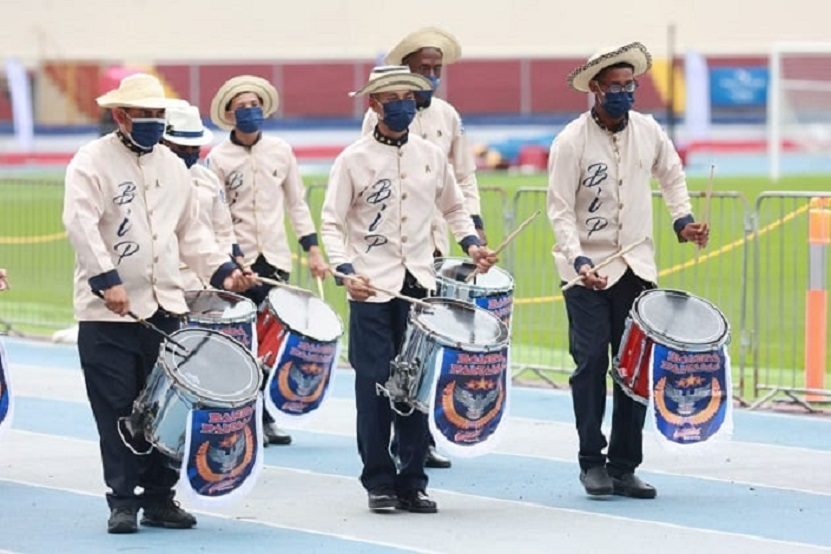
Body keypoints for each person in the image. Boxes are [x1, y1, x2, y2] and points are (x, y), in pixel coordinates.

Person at [63, 73, 257, 534]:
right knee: (118, 409)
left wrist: (223, 271)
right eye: (143, 114)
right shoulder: (91, 161)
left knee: (169, 406)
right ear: (120, 116)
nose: (152, 122)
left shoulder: (173, 166)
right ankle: (122, 500)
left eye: (157, 114)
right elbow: (80, 223)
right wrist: (106, 280)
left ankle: (159, 496)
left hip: (166, 308)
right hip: (107, 315)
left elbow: (191, 233)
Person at [321, 66, 497, 514]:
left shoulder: (430, 155)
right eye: (393, 99)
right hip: (371, 289)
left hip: (419, 288)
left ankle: (413, 480)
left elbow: (454, 207)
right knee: (375, 386)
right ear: (374, 105)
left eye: (409, 97)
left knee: (416, 387)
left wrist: (472, 244)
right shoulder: (352, 159)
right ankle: (378, 480)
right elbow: (332, 223)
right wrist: (345, 269)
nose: (403, 105)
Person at [546, 42, 709, 500]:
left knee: (634, 369)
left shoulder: (649, 131)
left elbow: (672, 175)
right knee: (592, 363)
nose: (623, 93)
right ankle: (591, 461)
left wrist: (682, 220)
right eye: (614, 86)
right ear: (596, 89)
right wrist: (578, 258)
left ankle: (624, 466)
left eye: (629, 84)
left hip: (636, 268)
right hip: (586, 273)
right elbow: (559, 210)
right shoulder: (571, 141)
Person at [363, 26, 483, 469]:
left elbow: (463, 177)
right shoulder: (381, 117)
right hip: (393, 253)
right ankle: (394, 437)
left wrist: (474, 227)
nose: (432, 75)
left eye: (437, 69)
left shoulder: (449, 117)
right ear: (407, 70)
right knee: (394, 352)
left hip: (436, 250)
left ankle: (420, 437)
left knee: (426, 348)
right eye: (424, 68)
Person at [207, 75, 328, 446]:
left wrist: (312, 249)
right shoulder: (217, 159)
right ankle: (239, 414)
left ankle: (267, 414)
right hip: (236, 264)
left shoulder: (280, 151)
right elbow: (217, 214)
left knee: (274, 341)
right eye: (242, 107)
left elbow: (296, 204)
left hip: (275, 260)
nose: (250, 112)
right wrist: (232, 259)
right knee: (239, 340)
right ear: (229, 114)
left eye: (255, 106)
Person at [161, 102, 240, 290]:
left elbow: (223, 230)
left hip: (207, 279)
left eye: (194, 148)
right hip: (166, 279)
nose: (189, 153)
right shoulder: (150, 181)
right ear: (164, 143)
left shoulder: (208, 178)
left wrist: (225, 268)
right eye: (182, 148)